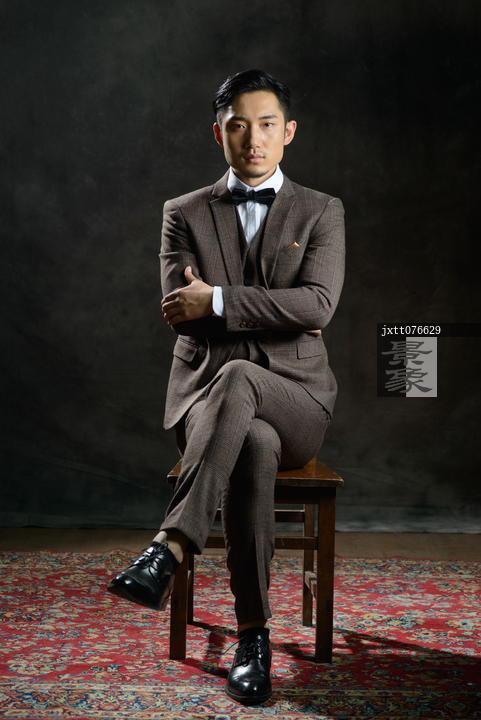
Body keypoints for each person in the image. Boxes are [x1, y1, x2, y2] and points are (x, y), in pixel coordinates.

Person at [108, 69, 345, 706]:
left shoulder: (322, 211)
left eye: (267, 124)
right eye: (238, 126)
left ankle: (168, 547)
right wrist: (275, 311)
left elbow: (318, 305)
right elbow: (179, 313)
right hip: (207, 405)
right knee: (252, 445)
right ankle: (253, 638)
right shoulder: (182, 213)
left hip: (298, 402)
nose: (253, 138)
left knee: (242, 380)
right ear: (219, 134)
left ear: (288, 132)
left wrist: (216, 299)